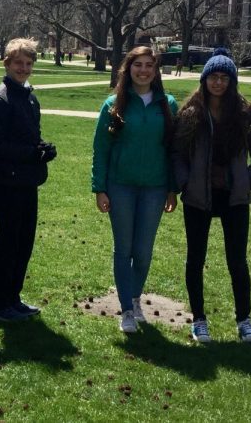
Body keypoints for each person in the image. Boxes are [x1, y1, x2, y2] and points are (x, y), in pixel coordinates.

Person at [173, 48, 251, 344]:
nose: (218, 83)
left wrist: (249, 180)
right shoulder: (191, 114)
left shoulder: (246, 114)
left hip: (234, 197)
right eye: (212, 77)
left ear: (232, 81)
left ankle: (244, 320)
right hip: (199, 196)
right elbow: (176, 153)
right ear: (204, 80)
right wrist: (184, 182)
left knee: (237, 261)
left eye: (224, 77)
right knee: (195, 259)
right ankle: (199, 319)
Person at [91, 46, 178, 334]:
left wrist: (172, 189)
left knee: (142, 251)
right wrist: (99, 188)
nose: (143, 70)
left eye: (149, 66)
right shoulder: (113, 104)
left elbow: (174, 151)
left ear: (156, 71)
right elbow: (101, 149)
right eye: (137, 65)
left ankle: (136, 297)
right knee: (124, 248)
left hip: (155, 188)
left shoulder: (168, 105)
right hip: (120, 186)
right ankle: (127, 309)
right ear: (128, 69)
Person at [0, 38, 55, 322]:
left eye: (28, 63)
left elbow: (29, 137)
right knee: (7, 242)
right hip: (7, 181)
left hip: (27, 180)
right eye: (18, 63)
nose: (23, 68)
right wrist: (32, 153)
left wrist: (42, 149)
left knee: (24, 242)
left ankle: (13, 297)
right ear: (7, 63)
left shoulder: (29, 96)